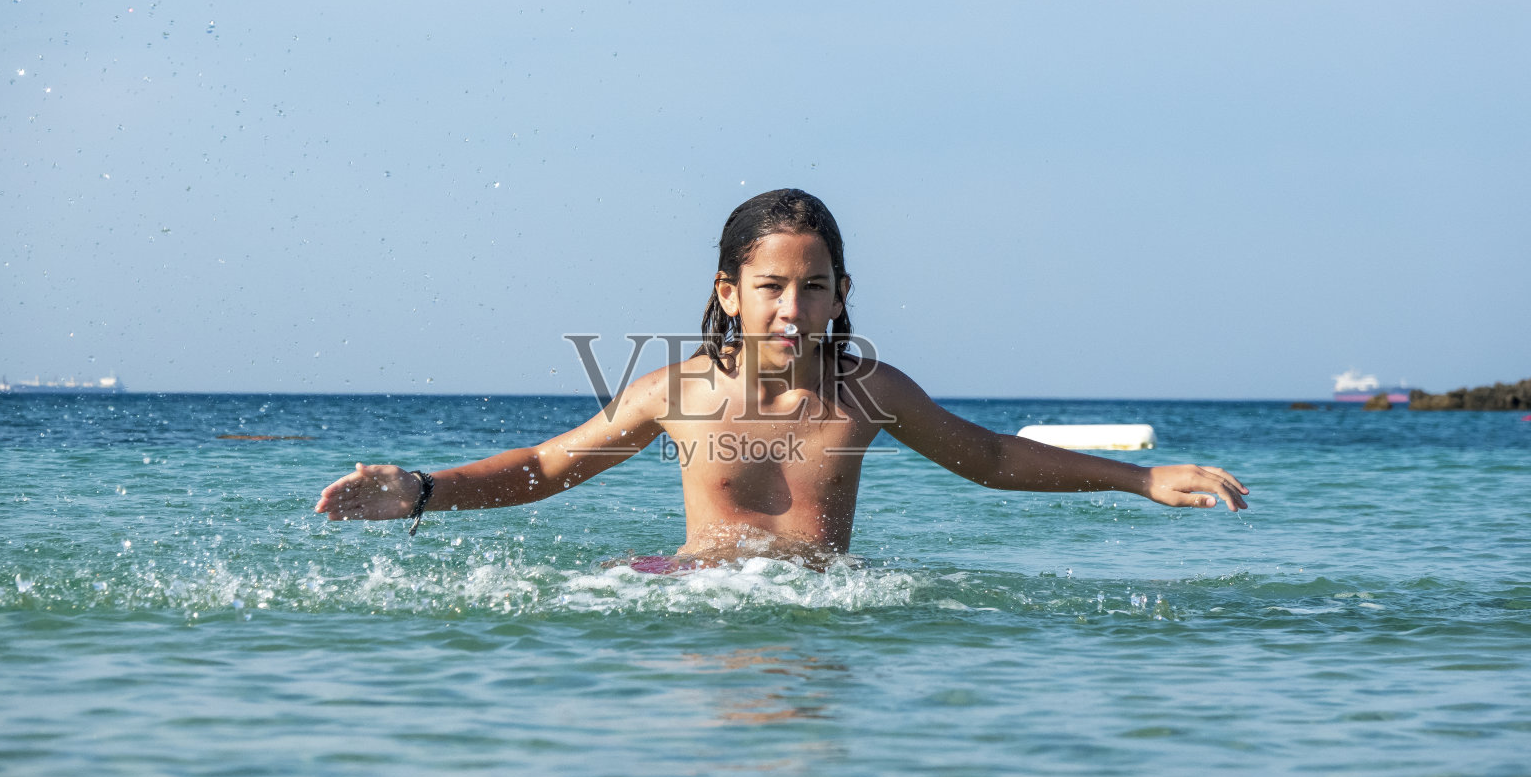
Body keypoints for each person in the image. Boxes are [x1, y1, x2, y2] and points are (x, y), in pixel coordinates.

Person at [316, 188, 1248, 567]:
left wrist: (1140, 479)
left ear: (842, 292)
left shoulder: (870, 391)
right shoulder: (674, 393)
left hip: (819, 607)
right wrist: (424, 490)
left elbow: (990, 457)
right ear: (731, 289)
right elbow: (549, 467)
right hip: (689, 596)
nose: (791, 308)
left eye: (813, 286)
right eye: (770, 287)